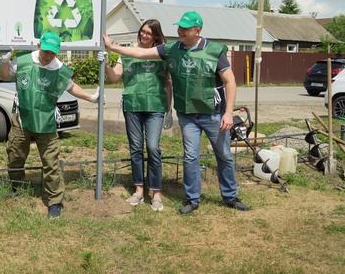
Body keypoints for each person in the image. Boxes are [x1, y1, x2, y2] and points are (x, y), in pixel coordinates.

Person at [103, 11, 249, 215]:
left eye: (185, 29)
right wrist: (112, 47)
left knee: (223, 154)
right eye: (179, 27)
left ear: (197, 31)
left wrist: (228, 112)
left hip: (213, 113)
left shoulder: (214, 50)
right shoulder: (172, 48)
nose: (179, 31)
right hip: (187, 114)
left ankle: (230, 196)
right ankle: (192, 199)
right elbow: (142, 53)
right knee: (190, 157)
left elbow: (230, 81)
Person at [0, 32, 100, 219]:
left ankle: (55, 202)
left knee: (51, 163)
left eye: (53, 53)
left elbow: (71, 86)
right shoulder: (23, 62)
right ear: (39, 45)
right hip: (22, 120)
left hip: (46, 123)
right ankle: (17, 188)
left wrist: (91, 97)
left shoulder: (60, 69)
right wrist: (5, 61)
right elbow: (5, 76)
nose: (48, 56)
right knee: (15, 155)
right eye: (46, 51)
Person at [103, 19, 172, 211]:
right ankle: (139, 190)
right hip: (132, 105)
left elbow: (167, 83)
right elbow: (114, 77)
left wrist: (169, 110)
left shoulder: (162, 54)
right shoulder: (125, 53)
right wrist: (106, 62)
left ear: (156, 35)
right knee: (135, 148)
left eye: (148, 33)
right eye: (142, 31)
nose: (144, 35)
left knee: (153, 147)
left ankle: (156, 192)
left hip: (155, 106)